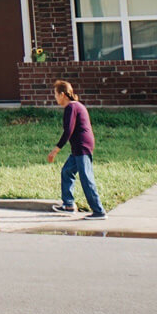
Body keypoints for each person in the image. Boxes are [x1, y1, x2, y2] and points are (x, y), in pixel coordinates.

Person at [47, 80, 106, 218]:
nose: (55, 97)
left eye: (55, 94)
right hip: (80, 146)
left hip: (82, 145)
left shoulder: (71, 107)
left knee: (86, 178)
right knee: (67, 171)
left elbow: (68, 131)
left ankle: (99, 210)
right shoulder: (76, 106)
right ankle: (68, 205)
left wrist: (55, 150)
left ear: (62, 94)